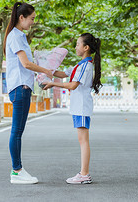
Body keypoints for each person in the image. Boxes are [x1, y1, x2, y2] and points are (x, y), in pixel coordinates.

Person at [4, 2, 53, 184]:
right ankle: (16, 170)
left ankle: (17, 170)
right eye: (31, 18)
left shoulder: (20, 36)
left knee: (18, 131)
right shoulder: (15, 36)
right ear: (21, 17)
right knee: (16, 131)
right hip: (19, 88)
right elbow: (26, 64)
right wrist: (46, 70)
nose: (33, 22)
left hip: (23, 87)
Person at [43, 33, 102, 184]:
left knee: (83, 141)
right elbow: (62, 74)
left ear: (86, 47)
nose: (75, 47)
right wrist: (45, 68)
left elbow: (72, 85)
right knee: (82, 140)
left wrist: (53, 84)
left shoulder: (86, 66)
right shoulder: (80, 65)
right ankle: (84, 173)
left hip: (81, 107)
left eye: (77, 44)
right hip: (78, 107)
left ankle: (84, 174)